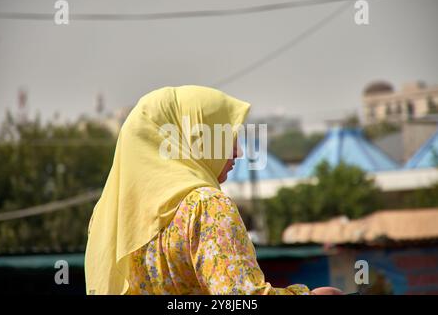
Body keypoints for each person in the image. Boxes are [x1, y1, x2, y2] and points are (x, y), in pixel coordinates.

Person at [84, 85, 343, 295]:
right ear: (194, 139)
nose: (237, 152)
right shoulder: (205, 207)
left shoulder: (106, 218)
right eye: (224, 137)